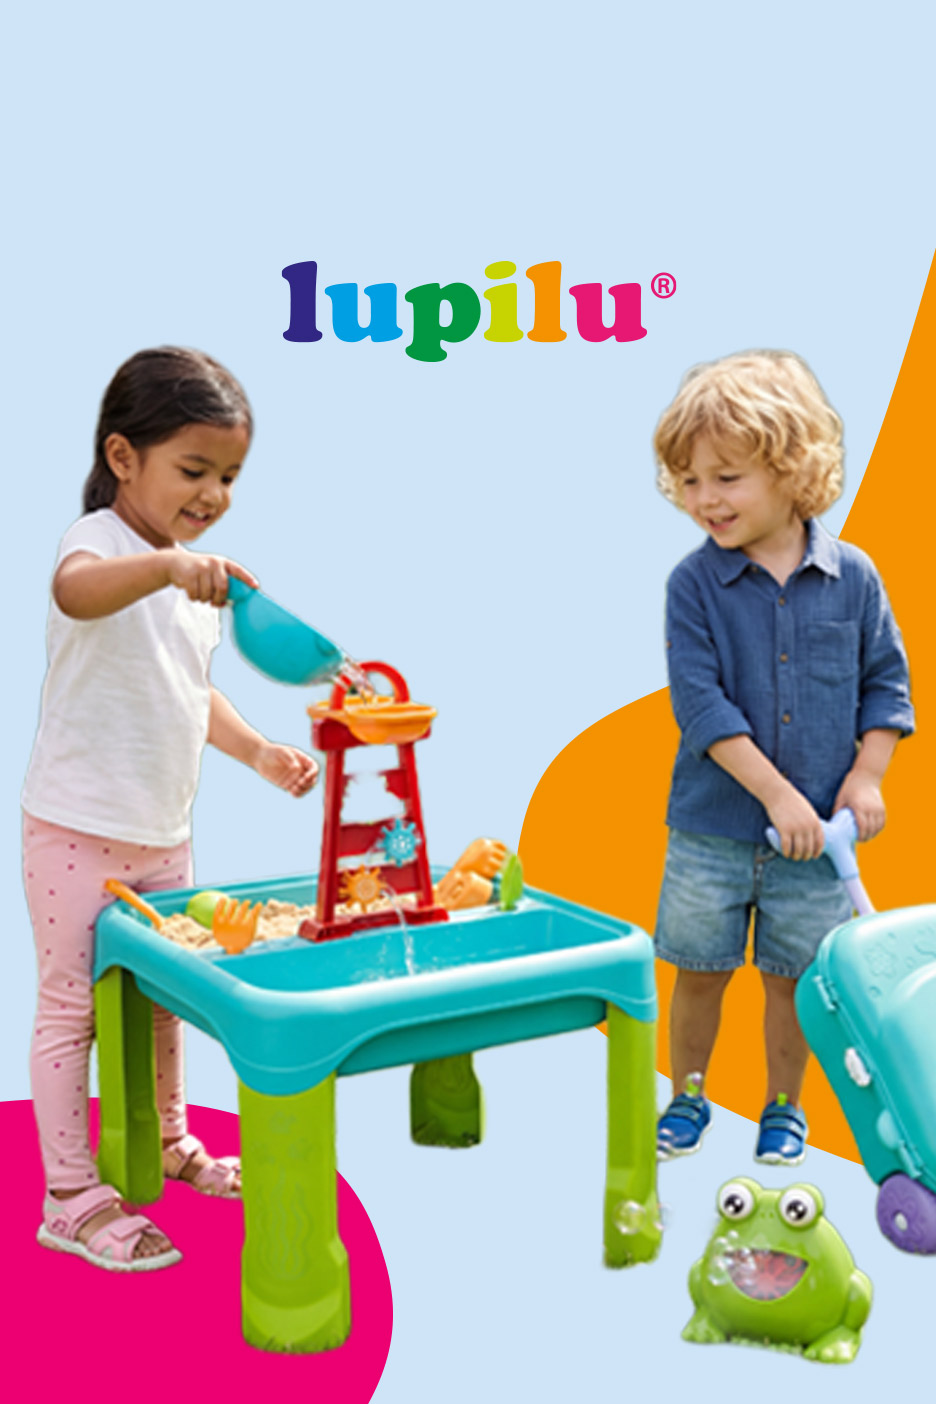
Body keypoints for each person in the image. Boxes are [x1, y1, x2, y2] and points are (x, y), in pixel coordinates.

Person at [22, 346, 320, 1270]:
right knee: (74, 1007)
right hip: (75, 828)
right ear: (123, 459)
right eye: (194, 471)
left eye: (228, 475)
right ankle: (69, 1194)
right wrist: (163, 570)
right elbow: (73, 594)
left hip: (163, 834)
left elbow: (189, 696)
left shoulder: (195, 581)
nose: (213, 493)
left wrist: (260, 750)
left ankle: (170, 1141)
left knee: (162, 1003)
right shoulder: (102, 545)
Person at [652, 350, 913, 1166]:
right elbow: (701, 707)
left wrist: (866, 776)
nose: (704, 500)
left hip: (820, 840)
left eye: (726, 477)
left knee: (797, 982)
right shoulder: (692, 586)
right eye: (689, 481)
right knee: (698, 971)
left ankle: (781, 1109)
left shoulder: (856, 579)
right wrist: (775, 797)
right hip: (713, 831)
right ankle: (688, 1095)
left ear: (792, 468)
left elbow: (886, 686)